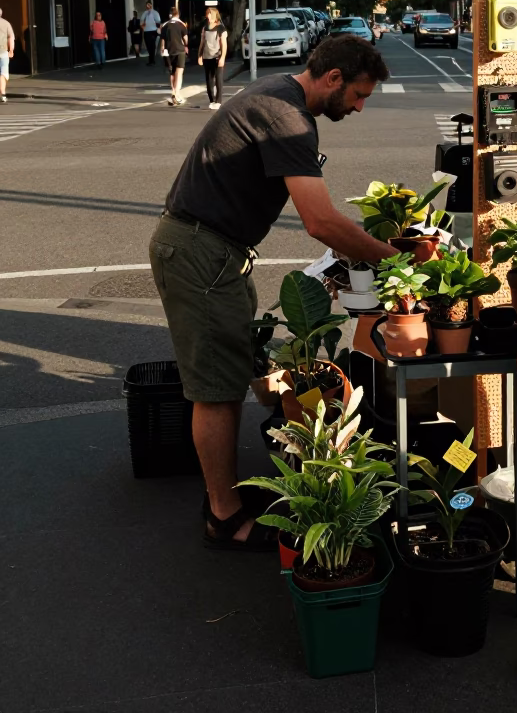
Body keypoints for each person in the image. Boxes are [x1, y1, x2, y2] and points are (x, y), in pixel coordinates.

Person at [149, 35, 395, 550]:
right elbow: (320, 221)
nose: (359, 106)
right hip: (201, 252)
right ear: (333, 79)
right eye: (358, 94)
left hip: (214, 250)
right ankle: (223, 515)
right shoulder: (288, 119)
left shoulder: (279, 93)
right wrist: (391, 258)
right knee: (214, 391)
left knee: (228, 375)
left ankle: (226, 495)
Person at [198, 6, 227, 110]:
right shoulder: (205, 28)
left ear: (214, 15)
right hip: (207, 56)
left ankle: (218, 101)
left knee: (218, 79)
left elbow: (224, 44)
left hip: (217, 57)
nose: (208, 16)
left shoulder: (221, 28)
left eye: (210, 14)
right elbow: (202, 43)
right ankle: (212, 100)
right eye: (207, 14)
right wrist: (199, 56)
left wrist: (222, 57)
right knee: (209, 79)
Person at [160, 9, 188, 106]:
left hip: (168, 51)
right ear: (178, 15)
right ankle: (177, 93)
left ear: (170, 15)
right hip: (180, 51)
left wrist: (162, 50)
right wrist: (186, 45)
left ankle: (173, 91)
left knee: (172, 73)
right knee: (179, 72)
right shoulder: (182, 24)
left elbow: (162, 40)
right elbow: (185, 39)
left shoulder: (165, 25)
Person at [0, 6, 14, 102]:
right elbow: (11, 37)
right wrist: (11, 50)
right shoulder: (6, 23)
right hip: (3, 51)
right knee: (3, 73)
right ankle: (3, 93)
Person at [140, 1, 161, 65]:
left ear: (151, 5)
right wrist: (143, 27)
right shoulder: (145, 13)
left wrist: (156, 25)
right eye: (147, 5)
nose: (148, 6)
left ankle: (152, 60)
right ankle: (151, 58)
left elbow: (158, 20)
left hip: (153, 30)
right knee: (148, 45)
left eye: (149, 5)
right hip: (146, 31)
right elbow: (141, 20)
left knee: (152, 45)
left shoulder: (155, 12)